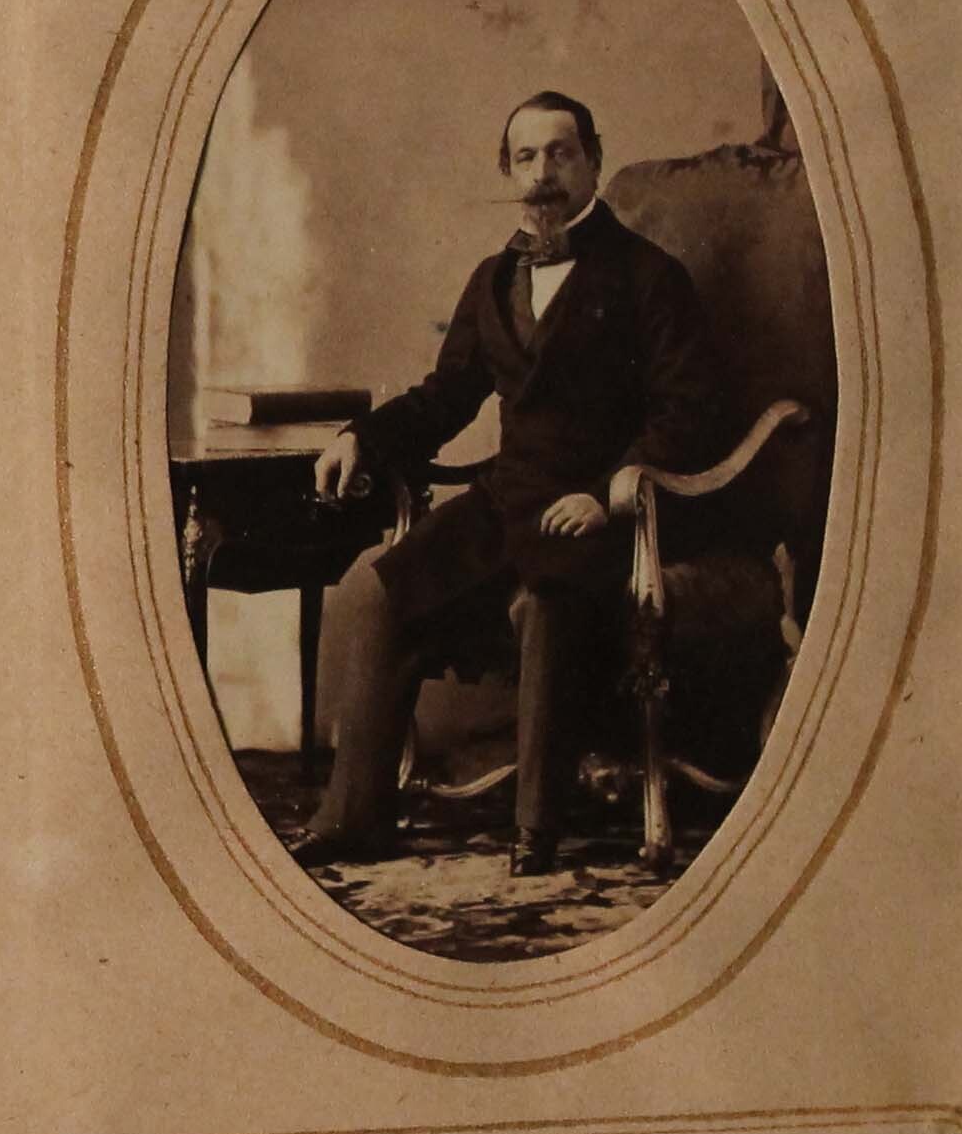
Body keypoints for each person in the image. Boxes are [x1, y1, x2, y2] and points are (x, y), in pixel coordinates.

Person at [288, 90, 728, 877]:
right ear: (506, 172)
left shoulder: (649, 276)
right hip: (506, 499)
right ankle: (354, 818)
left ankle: (537, 833)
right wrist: (361, 437)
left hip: (600, 512)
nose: (543, 173)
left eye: (561, 153)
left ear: (593, 160)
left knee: (549, 603)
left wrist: (606, 491)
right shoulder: (494, 279)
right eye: (525, 157)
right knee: (382, 590)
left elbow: (689, 412)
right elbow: (444, 398)